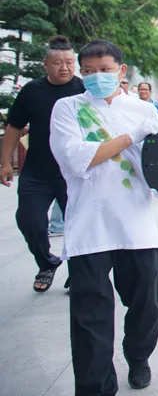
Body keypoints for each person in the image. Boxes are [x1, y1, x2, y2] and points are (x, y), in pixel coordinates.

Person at [48, 39, 158, 396]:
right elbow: (79, 159)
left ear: (121, 72)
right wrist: (130, 137)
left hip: (136, 225)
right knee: (90, 319)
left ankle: (138, 355)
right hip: (89, 227)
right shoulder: (67, 109)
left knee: (147, 300)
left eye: (104, 70)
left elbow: (155, 162)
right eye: (87, 71)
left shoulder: (142, 110)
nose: (96, 77)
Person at [0, 35, 84, 293]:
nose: (64, 68)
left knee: (80, 223)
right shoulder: (32, 91)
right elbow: (14, 126)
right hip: (38, 171)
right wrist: (4, 162)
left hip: (72, 172)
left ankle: (79, 271)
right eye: (58, 62)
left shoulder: (83, 90)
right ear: (45, 65)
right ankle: (47, 262)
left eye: (69, 62)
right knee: (30, 221)